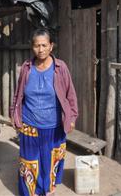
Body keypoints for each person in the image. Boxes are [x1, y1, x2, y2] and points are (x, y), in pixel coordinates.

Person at [10, 28, 78, 196]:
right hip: (29, 124)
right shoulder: (26, 68)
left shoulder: (60, 68)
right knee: (29, 162)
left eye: (44, 45)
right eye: (36, 46)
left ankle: (48, 190)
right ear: (32, 47)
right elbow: (18, 94)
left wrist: (72, 117)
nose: (40, 50)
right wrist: (14, 114)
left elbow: (70, 95)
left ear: (51, 46)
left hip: (53, 125)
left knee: (50, 161)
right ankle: (30, 193)